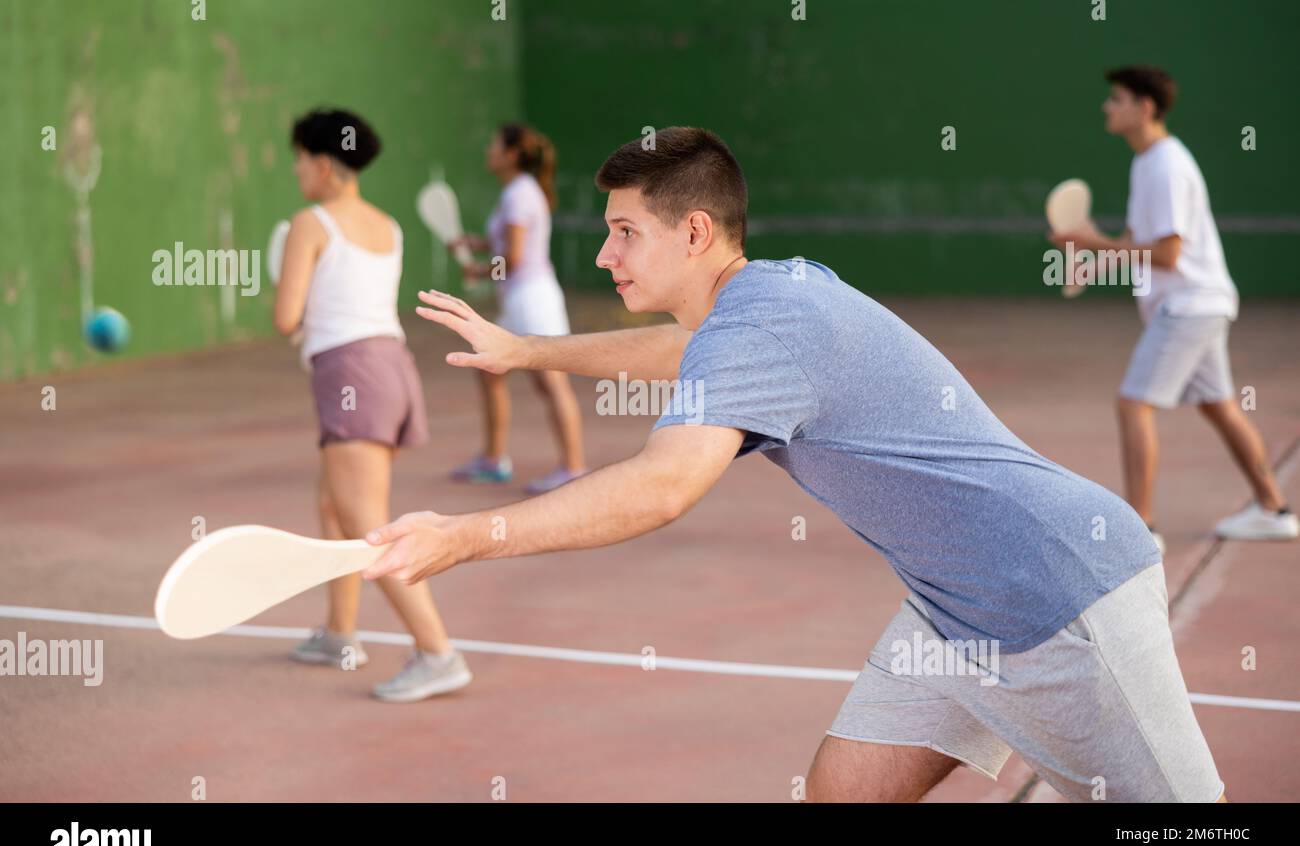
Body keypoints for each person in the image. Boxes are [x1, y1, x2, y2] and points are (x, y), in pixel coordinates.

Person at [366, 126, 1225, 802]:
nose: (604, 255)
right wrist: (526, 350)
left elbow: (662, 487)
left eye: (624, 233)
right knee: (842, 792)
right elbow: (679, 353)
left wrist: (462, 537)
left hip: (1059, 594)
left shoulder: (761, 325)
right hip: (952, 612)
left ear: (694, 231)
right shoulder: (769, 291)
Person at [1049, 65, 1296, 551]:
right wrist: (1094, 262)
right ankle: (1274, 510)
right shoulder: (1148, 162)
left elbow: (1167, 254)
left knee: (1133, 402)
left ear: (1144, 108)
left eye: (1116, 99)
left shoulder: (1164, 165)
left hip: (1189, 307)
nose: (1107, 107)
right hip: (1203, 302)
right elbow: (1139, 243)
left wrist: (1090, 240)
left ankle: (1142, 529)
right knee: (1219, 405)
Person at [271, 107, 471, 702]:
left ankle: (438, 652)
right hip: (391, 368)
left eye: (301, 158)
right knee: (334, 504)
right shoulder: (389, 226)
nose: (297, 169)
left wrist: (291, 294)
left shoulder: (309, 223)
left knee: (365, 522)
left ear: (324, 165)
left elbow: (286, 318)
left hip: (350, 372)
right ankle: (340, 634)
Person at [447, 123, 587, 494]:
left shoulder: (519, 195)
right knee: (489, 370)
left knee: (551, 381)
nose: (488, 151)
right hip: (518, 300)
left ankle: (573, 468)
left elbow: (515, 257)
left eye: (494, 145)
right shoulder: (519, 192)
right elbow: (505, 244)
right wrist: (473, 243)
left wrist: (478, 269)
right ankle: (493, 460)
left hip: (532, 299)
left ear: (510, 154)